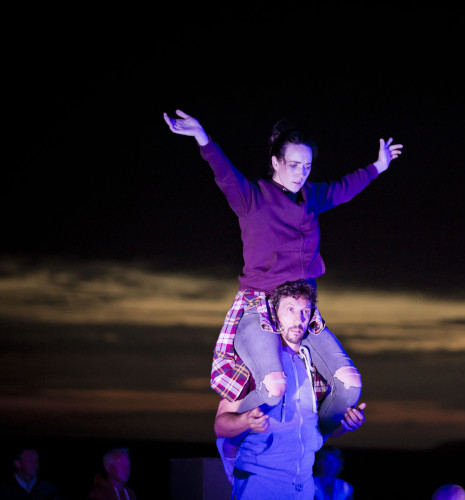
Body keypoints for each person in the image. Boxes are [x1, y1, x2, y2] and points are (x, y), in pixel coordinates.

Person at [164, 110, 401, 438]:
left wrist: (378, 167)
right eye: (293, 165)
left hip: (302, 310)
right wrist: (202, 137)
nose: (301, 174)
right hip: (260, 307)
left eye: (306, 167)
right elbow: (224, 173)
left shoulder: (311, 197)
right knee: (275, 386)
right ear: (276, 162)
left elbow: (344, 187)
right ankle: (239, 432)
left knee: (350, 386)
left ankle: (313, 442)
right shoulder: (253, 198)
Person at [214, 279, 366, 499]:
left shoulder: (315, 367)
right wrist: (245, 421)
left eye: (305, 311)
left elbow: (314, 432)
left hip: (303, 483)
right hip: (259, 481)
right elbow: (220, 425)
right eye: (291, 309)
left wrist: (346, 424)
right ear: (276, 314)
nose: (299, 319)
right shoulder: (258, 364)